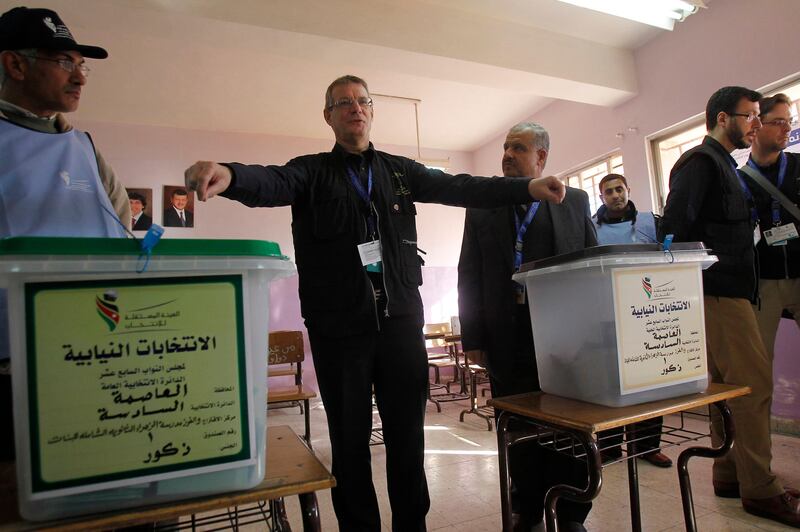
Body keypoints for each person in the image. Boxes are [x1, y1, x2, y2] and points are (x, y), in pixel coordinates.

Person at [184, 75, 566, 531]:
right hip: (338, 331)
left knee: (408, 442)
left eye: (362, 100)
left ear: (372, 111)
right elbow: (270, 181)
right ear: (328, 115)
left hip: (401, 326)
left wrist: (526, 188)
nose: (355, 108)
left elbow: (463, 187)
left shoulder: (401, 172)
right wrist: (228, 175)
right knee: (349, 443)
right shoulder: (310, 172)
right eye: (343, 103)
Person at [659, 86, 800, 528]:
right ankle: (761, 488)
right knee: (753, 388)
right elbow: (676, 228)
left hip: (728, 291)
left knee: (726, 386)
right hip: (719, 293)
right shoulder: (702, 164)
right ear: (724, 118)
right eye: (751, 117)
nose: (757, 125)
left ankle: (729, 474)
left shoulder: (722, 165)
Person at [0, 6, 130, 461]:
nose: (80, 77)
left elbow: (120, 235)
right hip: (14, 370)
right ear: (14, 64)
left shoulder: (85, 149)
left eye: (81, 65)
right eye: (63, 62)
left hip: (99, 353)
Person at [457, 122, 596, 532]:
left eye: (517, 147)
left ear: (541, 158)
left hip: (565, 337)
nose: (506, 154)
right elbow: (469, 273)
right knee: (518, 427)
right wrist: (474, 338)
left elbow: (590, 263)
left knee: (569, 424)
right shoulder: (483, 206)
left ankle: (571, 511)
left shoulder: (574, 202)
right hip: (507, 337)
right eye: (504, 146)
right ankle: (528, 507)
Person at [592, 173, 672, 469]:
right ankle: (610, 447)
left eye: (619, 189)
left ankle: (647, 446)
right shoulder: (590, 227)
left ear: (628, 190)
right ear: (601, 197)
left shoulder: (652, 222)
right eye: (608, 191)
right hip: (605, 311)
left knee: (649, 379)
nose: (615, 195)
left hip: (647, 311)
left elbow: (669, 258)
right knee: (611, 381)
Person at [741, 93, 800, 365]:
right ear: (756, 125)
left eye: (789, 121)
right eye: (778, 121)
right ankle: (756, 410)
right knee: (759, 363)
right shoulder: (737, 180)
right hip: (763, 282)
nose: (787, 128)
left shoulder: (798, 166)